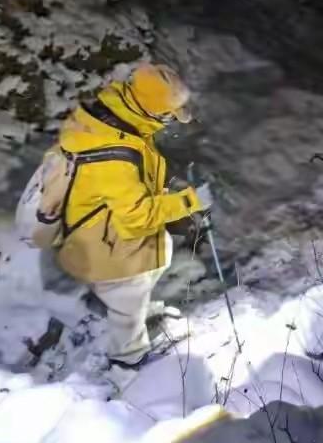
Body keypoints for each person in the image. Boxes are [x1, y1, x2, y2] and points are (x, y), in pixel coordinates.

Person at [56, 64, 209, 369]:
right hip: (93, 235)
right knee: (133, 280)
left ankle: (131, 308)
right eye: (168, 114)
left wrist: (167, 185)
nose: (170, 120)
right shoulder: (113, 150)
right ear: (151, 109)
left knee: (159, 246)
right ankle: (128, 362)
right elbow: (136, 216)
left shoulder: (117, 114)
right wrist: (191, 202)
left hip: (96, 214)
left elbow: (133, 170)